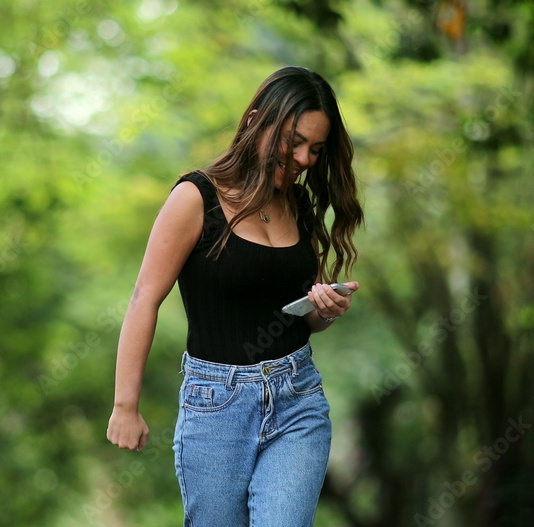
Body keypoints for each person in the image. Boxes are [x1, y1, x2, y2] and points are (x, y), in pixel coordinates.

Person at [106, 66, 364, 527]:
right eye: (294, 140)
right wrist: (126, 405)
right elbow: (144, 297)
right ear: (256, 121)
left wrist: (325, 308)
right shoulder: (195, 197)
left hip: (297, 398)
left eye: (316, 149)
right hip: (215, 407)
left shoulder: (297, 206)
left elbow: (304, 319)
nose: (304, 158)